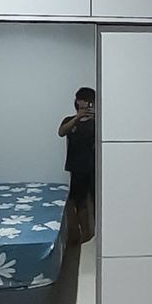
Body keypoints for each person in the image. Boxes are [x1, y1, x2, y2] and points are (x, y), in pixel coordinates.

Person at [58, 87, 96, 243]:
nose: (83, 103)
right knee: (78, 202)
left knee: (97, 200)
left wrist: (97, 117)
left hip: (95, 168)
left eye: (87, 100)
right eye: (80, 99)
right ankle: (84, 233)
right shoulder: (69, 120)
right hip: (76, 168)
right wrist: (77, 118)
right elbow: (61, 132)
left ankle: (97, 232)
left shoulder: (97, 122)